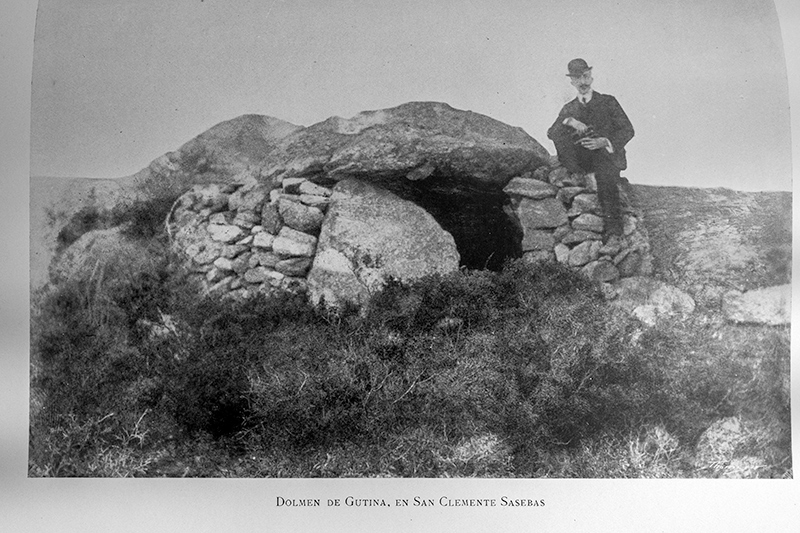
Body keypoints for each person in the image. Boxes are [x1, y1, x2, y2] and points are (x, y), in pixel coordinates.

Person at [547, 58, 634, 241]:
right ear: (572, 82)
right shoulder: (569, 108)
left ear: (591, 77)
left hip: (606, 156)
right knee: (560, 132)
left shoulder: (608, 102)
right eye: (577, 79)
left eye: (585, 76)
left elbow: (628, 130)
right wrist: (570, 121)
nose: (583, 82)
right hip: (581, 160)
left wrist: (605, 141)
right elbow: (551, 132)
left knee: (606, 178)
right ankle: (575, 172)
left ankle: (613, 232)